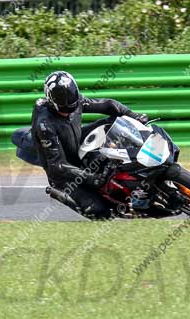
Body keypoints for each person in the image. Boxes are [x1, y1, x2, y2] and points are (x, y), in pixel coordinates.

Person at [31, 71, 149, 220]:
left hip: (77, 143)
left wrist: (133, 115)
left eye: (71, 95)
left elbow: (108, 105)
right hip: (64, 174)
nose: (68, 103)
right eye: (62, 99)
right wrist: (92, 178)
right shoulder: (45, 124)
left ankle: (141, 165)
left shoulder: (76, 101)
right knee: (101, 213)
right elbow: (58, 165)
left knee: (110, 124)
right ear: (51, 99)